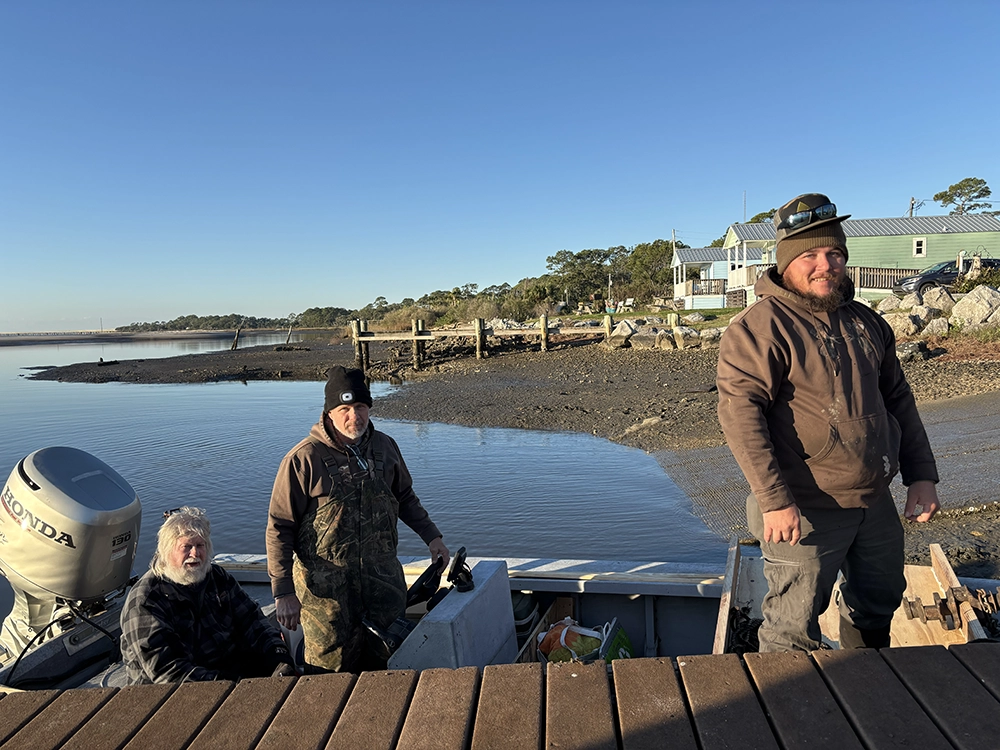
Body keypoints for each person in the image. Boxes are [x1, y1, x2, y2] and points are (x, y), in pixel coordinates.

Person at [717, 192, 940, 652]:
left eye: (834, 253)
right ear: (784, 263)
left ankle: (867, 683)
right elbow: (741, 415)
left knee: (879, 602)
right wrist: (774, 500)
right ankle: (794, 713)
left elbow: (899, 399)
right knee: (792, 628)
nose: (826, 264)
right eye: (810, 255)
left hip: (873, 500)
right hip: (802, 506)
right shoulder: (759, 328)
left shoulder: (868, 322)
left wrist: (921, 476)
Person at [267, 365, 449, 672]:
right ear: (329, 413)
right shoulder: (303, 458)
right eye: (345, 409)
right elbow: (279, 528)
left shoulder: (386, 446)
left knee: (390, 664)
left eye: (361, 407)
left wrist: (434, 538)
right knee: (328, 674)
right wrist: (283, 592)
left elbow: (405, 498)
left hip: (383, 585)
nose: (355, 417)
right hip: (327, 599)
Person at [120, 507, 293, 684]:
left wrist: (278, 656)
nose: (195, 554)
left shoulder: (217, 577)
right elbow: (168, 671)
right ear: (166, 551)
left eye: (200, 545)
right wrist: (230, 684)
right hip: (173, 694)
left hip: (230, 674)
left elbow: (252, 620)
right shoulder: (146, 600)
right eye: (186, 547)